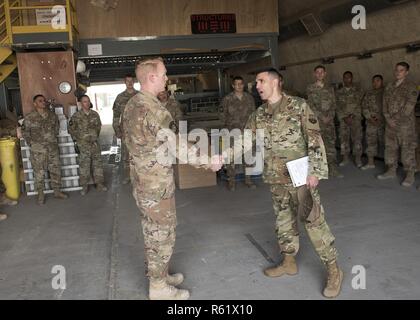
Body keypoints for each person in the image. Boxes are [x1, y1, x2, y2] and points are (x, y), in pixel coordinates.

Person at [122, 57, 222, 300]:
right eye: (164, 74)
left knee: (153, 232)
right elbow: (177, 145)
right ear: (152, 77)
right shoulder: (154, 110)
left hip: (143, 181)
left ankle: (161, 274)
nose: (167, 78)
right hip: (155, 185)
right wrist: (208, 161)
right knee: (161, 234)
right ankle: (158, 288)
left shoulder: (132, 104)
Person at [245, 68, 343, 299]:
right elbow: (244, 141)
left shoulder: (299, 106)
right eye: (256, 81)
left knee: (313, 222)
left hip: (300, 177)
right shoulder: (259, 114)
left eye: (261, 80)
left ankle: (334, 270)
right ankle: (289, 261)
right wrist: (220, 157)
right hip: (276, 179)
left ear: (276, 81)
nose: (257, 85)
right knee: (283, 221)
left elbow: (314, 138)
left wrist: (316, 171)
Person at [22, 95, 68, 205]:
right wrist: (33, 144)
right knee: (39, 173)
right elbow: (25, 133)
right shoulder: (29, 117)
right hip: (38, 151)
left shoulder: (52, 116)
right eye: (40, 101)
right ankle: (41, 195)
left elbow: (56, 129)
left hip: (52, 149)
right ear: (35, 104)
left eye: (44, 100)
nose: (43, 102)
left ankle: (57, 192)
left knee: (55, 170)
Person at [378, 62, 418, 187]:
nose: (398, 72)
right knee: (390, 148)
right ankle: (391, 170)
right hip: (390, 125)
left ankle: (410, 174)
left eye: (401, 70)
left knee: (407, 149)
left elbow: (409, 106)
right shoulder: (389, 86)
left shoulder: (412, 87)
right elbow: (384, 104)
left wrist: (395, 119)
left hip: (405, 125)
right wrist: (388, 118)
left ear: (406, 72)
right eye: (396, 70)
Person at [220, 76, 257, 191]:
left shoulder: (249, 98)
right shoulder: (227, 99)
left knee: (249, 156)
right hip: (232, 132)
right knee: (232, 158)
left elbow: (254, 114)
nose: (239, 86)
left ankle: (248, 180)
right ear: (233, 86)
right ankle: (232, 181)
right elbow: (222, 115)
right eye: (237, 84)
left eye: (241, 84)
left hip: (247, 132)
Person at [306, 65, 342, 178]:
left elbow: (334, 104)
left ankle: (332, 168)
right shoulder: (310, 88)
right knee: (317, 145)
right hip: (316, 122)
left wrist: (330, 116)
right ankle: (319, 170)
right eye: (317, 72)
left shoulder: (330, 89)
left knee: (330, 144)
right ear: (314, 74)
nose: (320, 74)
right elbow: (310, 105)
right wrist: (322, 116)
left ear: (325, 73)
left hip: (329, 122)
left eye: (322, 72)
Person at [69, 95, 108, 195]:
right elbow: (71, 129)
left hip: (94, 144)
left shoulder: (95, 114)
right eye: (85, 101)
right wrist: (77, 140)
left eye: (88, 101)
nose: (87, 103)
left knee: (97, 165)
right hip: (83, 145)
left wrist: (94, 137)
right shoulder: (76, 116)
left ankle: (99, 184)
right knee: (84, 166)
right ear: (81, 104)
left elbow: (98, 127)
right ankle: (84, 186)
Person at [113, 75, 139, 185]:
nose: (129, 83)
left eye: (131, 81)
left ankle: (139, 177)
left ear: (134, 82)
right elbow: (116, 115)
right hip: (126, 131)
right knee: (126, 155)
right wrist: (117, 130)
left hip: (139, 131)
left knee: (139, 154)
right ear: (124, 82)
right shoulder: (119, 97)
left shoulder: (140, 96)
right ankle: (128, 176)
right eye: (127, 81)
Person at [335, 71, 364, 168]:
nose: (347, 79)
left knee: (357, 139)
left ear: (352, 78)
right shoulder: (339, 92)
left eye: (349, 77)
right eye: (345, 77)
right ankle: (345, 158)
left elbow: (361, 105)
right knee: (344, 139)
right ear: (343, 79)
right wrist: (343, 117)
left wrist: (352, 116)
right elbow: (337, 107)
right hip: (344, 120)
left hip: (355, 119)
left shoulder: (358, 91)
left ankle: (358, 158)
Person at [361, 75, 385, 170]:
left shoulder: (387, 92)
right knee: (371, 143)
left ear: (382, 81)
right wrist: (369, 117)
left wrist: (381, 118)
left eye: (378, 81)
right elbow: (364, 107)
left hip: (384, 123)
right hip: (371, 123)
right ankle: (370, 162)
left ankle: (389, 166)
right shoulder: (369, 93)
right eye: (374, 81)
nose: (375, 83)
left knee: (387, 145)